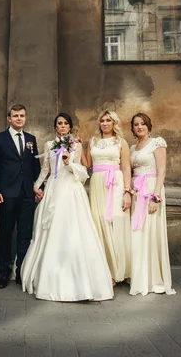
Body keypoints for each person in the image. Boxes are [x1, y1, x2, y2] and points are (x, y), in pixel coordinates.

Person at [21, 113, 114, 302]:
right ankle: (49, 275)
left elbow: (83, 171)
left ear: (70, 127)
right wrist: (37, 186)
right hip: (54, 188)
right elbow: (45, 169)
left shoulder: (76, 145)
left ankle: (81, 280)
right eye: (59, 124)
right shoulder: (48, 145)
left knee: (74, 230)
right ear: (55, 127)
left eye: (65, 124)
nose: (62, 126)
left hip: (71, 189)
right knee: (52, 230)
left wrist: (68, 162)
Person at [0, 104, 41, 289]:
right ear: (9, 119)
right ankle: (4, 272)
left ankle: (21, 271)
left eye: (22, 116)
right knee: (6, 233)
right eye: (15, 116)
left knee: (25, 234)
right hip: (7, 194)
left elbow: (35, 166)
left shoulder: (31, 139)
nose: (19, 118)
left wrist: (37, 187)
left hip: (27, 194)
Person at [82, 110, 132, 284]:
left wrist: (127, 191)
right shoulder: (93, 142)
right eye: (102, 120)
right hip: (97, 184)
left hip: (115, 184)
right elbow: (87, 164)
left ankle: (120, 270)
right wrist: (79, 148)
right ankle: (104, 269)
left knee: (116, 221)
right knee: (98, 221)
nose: (104, 123)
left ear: (114, 123)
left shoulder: (121, 142)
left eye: (108, 120)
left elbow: (126, 168)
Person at [129, 112, 176, 296]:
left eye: (142, 123)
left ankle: (154, 279)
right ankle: (140, 276)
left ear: (149, 125)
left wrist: (155, 197)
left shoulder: (157, 143)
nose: (139, 127)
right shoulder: (133, 148)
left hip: (151, 190)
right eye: (136, 124)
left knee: (151, 232)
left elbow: (162, 170)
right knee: (138, 233)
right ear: (132, 128)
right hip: (137, 192)